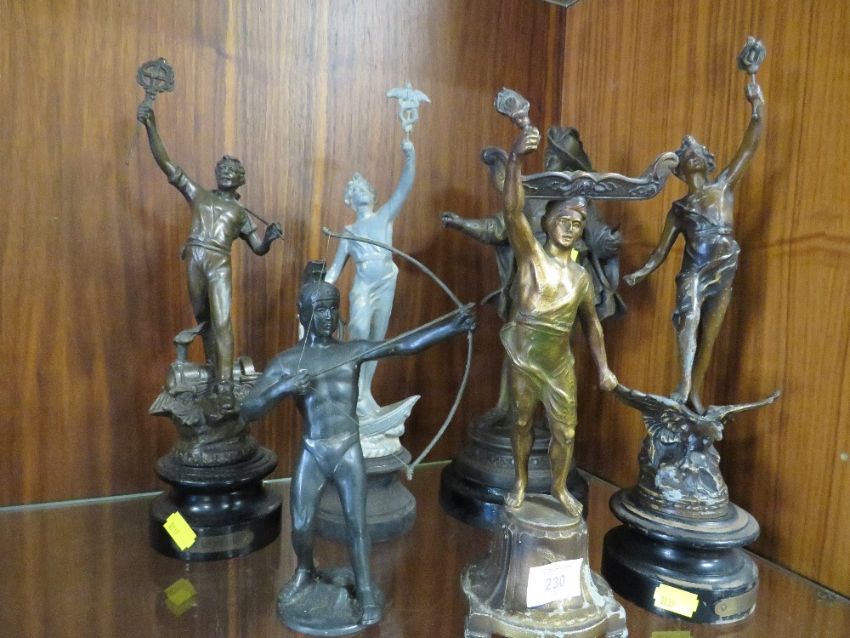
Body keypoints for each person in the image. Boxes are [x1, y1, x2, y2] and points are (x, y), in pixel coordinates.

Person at [240, 263, 474, 625]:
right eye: (320, 309)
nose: (328, 316)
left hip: (348, 448)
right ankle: (304, 571)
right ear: (304, 313)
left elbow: (402, 346)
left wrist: (451, 327)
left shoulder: (351, 351)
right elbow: (248, 409)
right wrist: (284, 387)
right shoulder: (286, 362)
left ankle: (364, 589)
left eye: (333, 309)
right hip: (314, 449)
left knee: (357, 523)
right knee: (301, 523)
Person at [624, 79, 765, 414]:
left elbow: (748, 147)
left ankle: (694, 393)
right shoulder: (679, 210)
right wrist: (641, 273)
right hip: (693, 273)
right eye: (688, 154)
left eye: (698, 152)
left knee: (710, 335)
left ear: (708, 161)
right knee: (688, 317)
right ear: (681, 169)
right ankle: (684, 382)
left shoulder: (723, 187)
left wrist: (757, 106)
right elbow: (660, 252)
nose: (694, 155)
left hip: (725, 268)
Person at [500, 125, 617, 518]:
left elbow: (592, 325)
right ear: (548, 220)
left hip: (559, 364)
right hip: (524, 357)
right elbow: (512, 211)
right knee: (521, 423)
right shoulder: (531, 256)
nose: (570, 227)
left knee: (565, 432)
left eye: (577, 224)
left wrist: (603, 368)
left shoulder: (581, 277)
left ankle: (559, 486)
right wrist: (515, 160)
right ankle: (520, 481)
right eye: (564, 219)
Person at [137, 104, 282, 400]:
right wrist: (151, 127)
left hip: (218, 263)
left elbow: (258, 249)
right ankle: (215, 367)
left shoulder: (240, 213)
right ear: (216, 174)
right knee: (205, 319)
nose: (227, 172)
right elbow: (167, 164)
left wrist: (268, 239)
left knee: (222, 320)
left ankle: (225, 384)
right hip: (195, 259)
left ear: (241, 179)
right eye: (223, 169)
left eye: (233, 170)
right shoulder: (198, 194)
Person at [325, 139, 416, 415]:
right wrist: (319, 292)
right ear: (349, 200)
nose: (360, 192)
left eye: (363, 188)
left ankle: (364, 393)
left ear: (372, 194)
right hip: (363, 286)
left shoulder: (384, 216)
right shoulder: (349, 232)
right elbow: (335, 270)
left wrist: (410, 156)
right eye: (355, 190)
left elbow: (404, 186)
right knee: (360, 331)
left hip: (386, 282)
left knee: (377, 341)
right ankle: (354, 391)